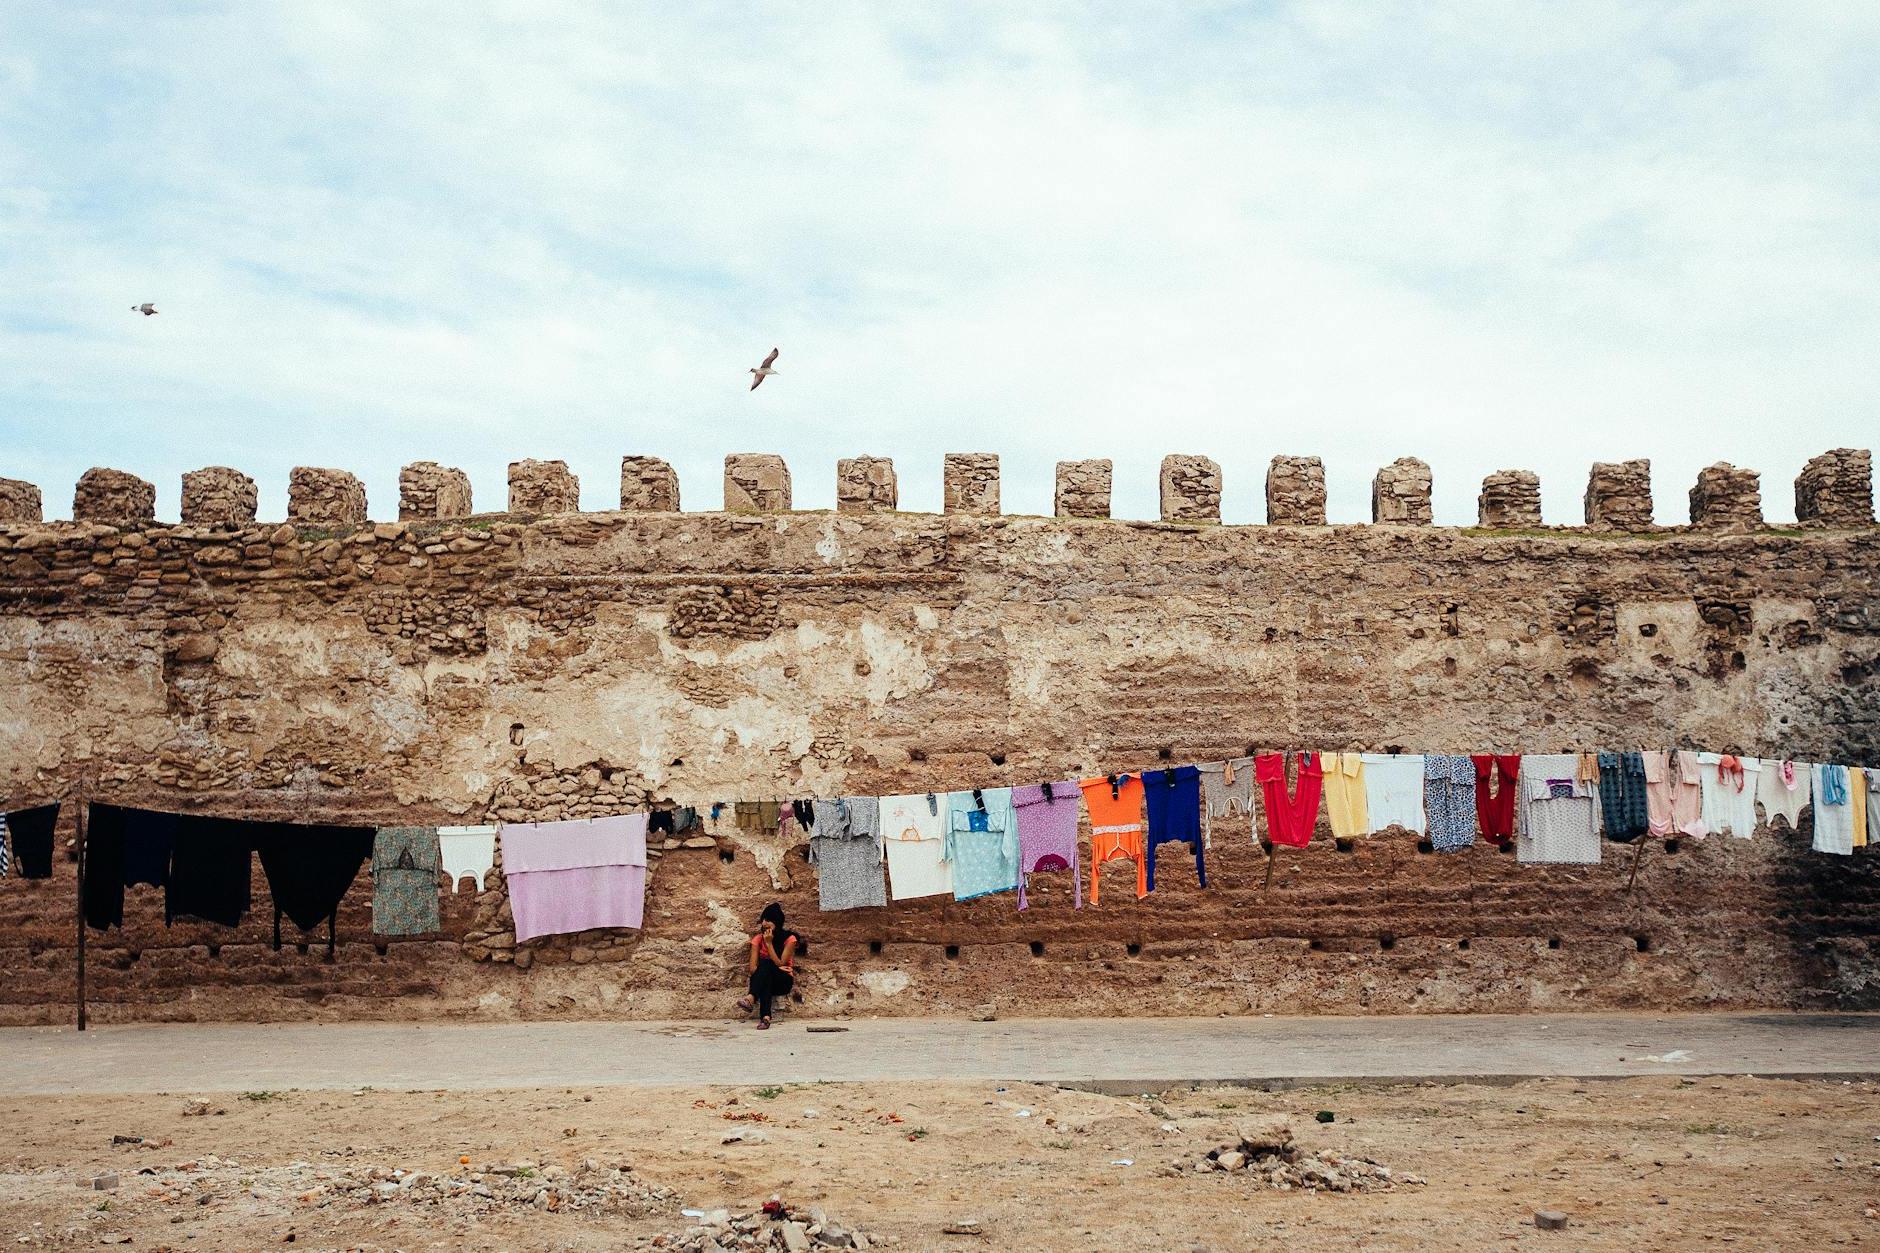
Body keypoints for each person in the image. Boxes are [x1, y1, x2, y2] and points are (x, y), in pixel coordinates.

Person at [740, 902, 798, 1029]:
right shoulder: (757, 939)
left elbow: (781, 963)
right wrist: (772, 968)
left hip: (783, 981)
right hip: (765, 979)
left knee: (766, 963)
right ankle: (765, 1018)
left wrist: (769, 944)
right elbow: (753, 968)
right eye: (763, 920)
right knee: (766, 976)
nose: (764, 923)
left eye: (769, 920)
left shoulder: (790, 939)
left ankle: (751, 997)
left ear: (777, 922)